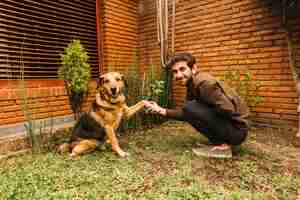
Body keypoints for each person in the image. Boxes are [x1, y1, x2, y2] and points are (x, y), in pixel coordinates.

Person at [144, 52, 249, 158]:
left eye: (182, 69)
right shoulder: (192, 84)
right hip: (234, 130)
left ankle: (225, 144)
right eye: (175, 72)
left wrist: (209, 116)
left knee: (190, 107)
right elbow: (187, 114)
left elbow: (228, 109)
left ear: (193, 68)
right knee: (190, 109)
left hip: (238, 131)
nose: (178, 75)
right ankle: (220, 143)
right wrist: (160, 110)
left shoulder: (203, 83)